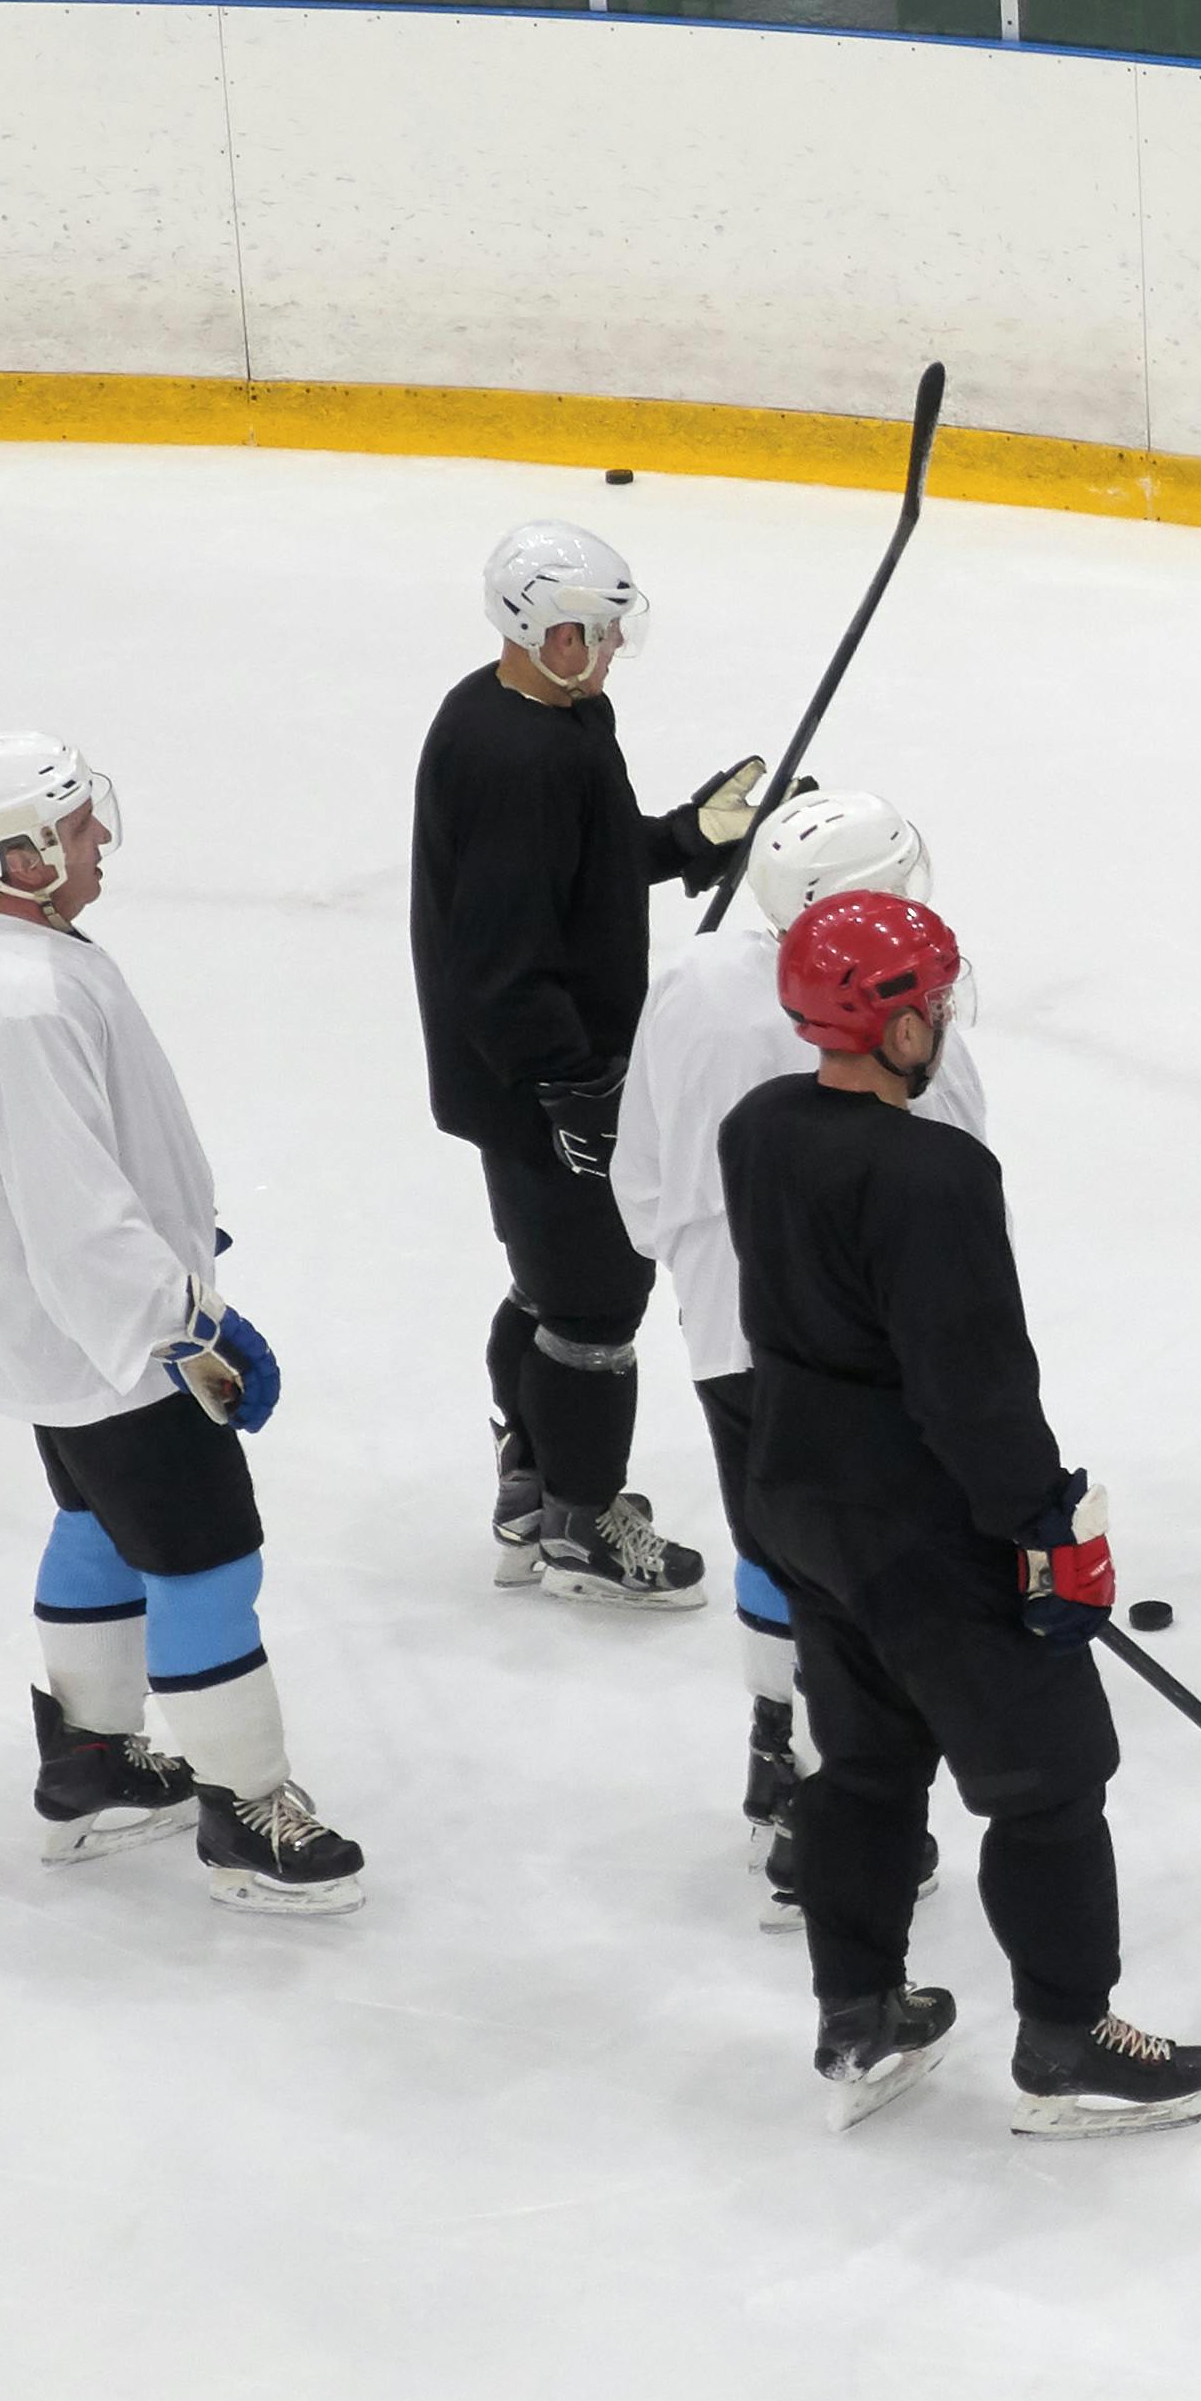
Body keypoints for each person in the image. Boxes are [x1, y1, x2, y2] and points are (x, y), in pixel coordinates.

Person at [723, 888, 1201, 2137]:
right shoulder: (933, 1174)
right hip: (922, 1521)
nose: (943, 1021)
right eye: (929, 1004)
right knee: (1049, 1776)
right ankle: (1065, 2041)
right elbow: (971, 1386)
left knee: (866, 1764)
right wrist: (1045, 1525)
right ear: (887, 1025)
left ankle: (860, 2013)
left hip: (795, 1498)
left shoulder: (757, 1128)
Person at [0, 733, 365, 1911]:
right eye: (72, 830)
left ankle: (94, 1767)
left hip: (63, 1335)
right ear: (15, 852)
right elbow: (73, 1213)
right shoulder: (21, 997)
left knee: (100, 1523)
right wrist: (185, 1327)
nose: (98, 839)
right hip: (106, 1335)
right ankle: (244, 1814)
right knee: (209, 1557)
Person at [614, 784, 989, 1908]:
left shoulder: (688, 981)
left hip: (725, 1332)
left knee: (776, 1543)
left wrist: (701, 1271)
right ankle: (835, 1802)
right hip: (862, 1366)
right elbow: (958, 1222)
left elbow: (640, 1183)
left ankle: (779, 1758)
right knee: (860, 1573)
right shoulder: (916, 1043)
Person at [408, 518, 772, 1609]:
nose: (602, 655)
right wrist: (575, 1087)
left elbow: (590, 867)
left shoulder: (543, 718)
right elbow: (496, 964)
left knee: (550, 1280)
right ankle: (580, 1519)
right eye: (580, 636)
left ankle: (530, 1487)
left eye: (611, 633)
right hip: (537, 1080)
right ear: (526, 630)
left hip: (530, 1075)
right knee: (596, 1308)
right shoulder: (515, 755)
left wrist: (688, 838)